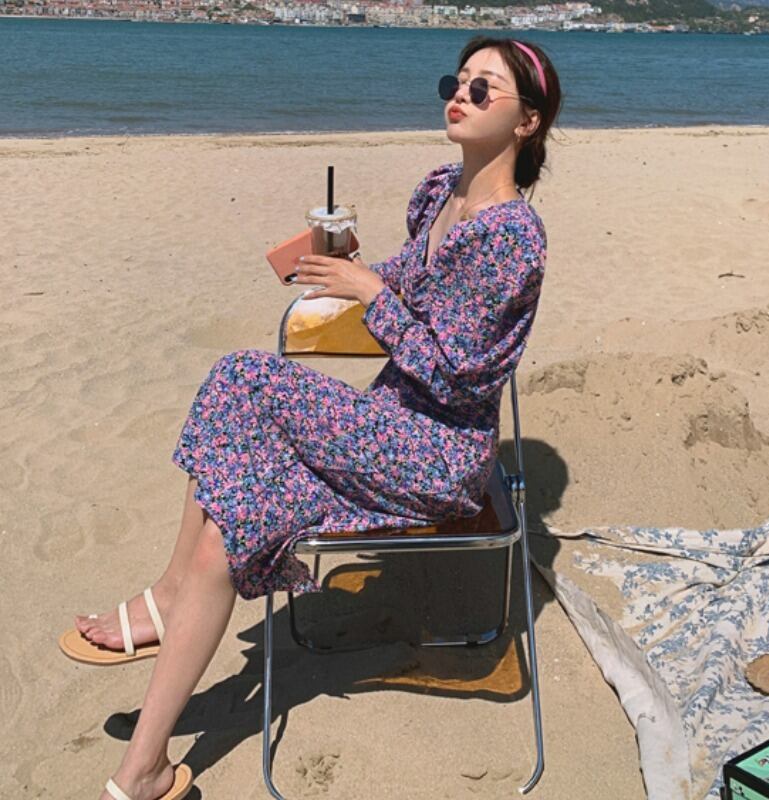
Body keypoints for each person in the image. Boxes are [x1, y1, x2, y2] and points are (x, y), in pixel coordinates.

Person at [59, 34, 562, 800]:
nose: (459, 96)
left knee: (244, 378)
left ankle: (164, 600)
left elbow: (458, 378)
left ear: (527, 121)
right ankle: (145, 770)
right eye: (455, 82)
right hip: (386, 429)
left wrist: (370, 295)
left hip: (437, 456)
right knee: (225, 535)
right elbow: (409, 280)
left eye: (483, 88)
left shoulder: (511, 239)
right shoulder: (443, 191)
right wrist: (345, 271)